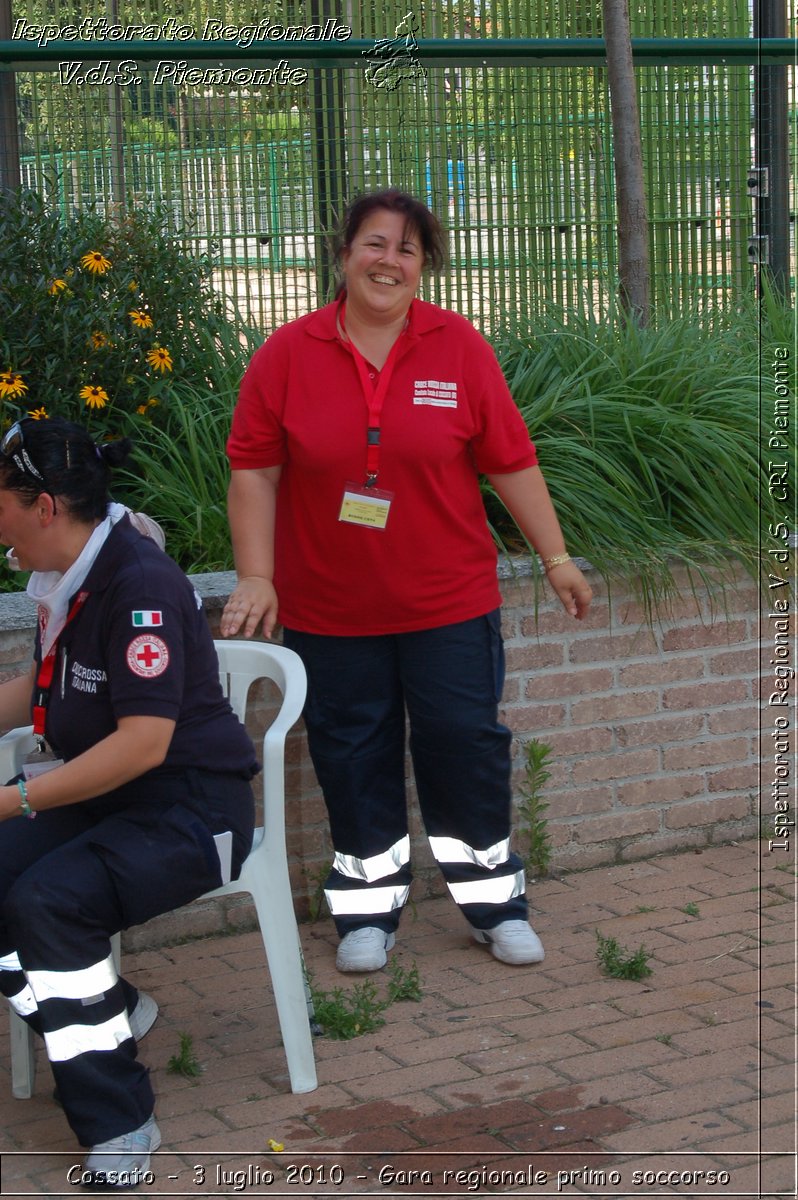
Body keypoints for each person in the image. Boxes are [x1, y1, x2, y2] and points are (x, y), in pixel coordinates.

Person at [223, 188, 592, 975]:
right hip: (330, 609)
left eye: (407, 249)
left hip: (448, 603)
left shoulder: (458, 348)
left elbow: (510, 462)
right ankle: (365, 914)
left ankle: (495, 905)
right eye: (374, 244)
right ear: (343, 253)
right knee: (353, 755)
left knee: (465, 745)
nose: (388, 261)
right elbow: (254, 473)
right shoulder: (287, 354)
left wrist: (556, 557)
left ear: (425, 267)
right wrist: (257, 575)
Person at [0, 416, 257, 1188]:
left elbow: (145, 743)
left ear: (44, 506)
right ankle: (104, 1008)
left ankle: (117, 1120)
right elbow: (42, 695)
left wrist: (14, 800)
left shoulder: (137, 582)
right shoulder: (69, 575)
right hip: (110, 794)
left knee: (48, 901)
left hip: (189, 809)